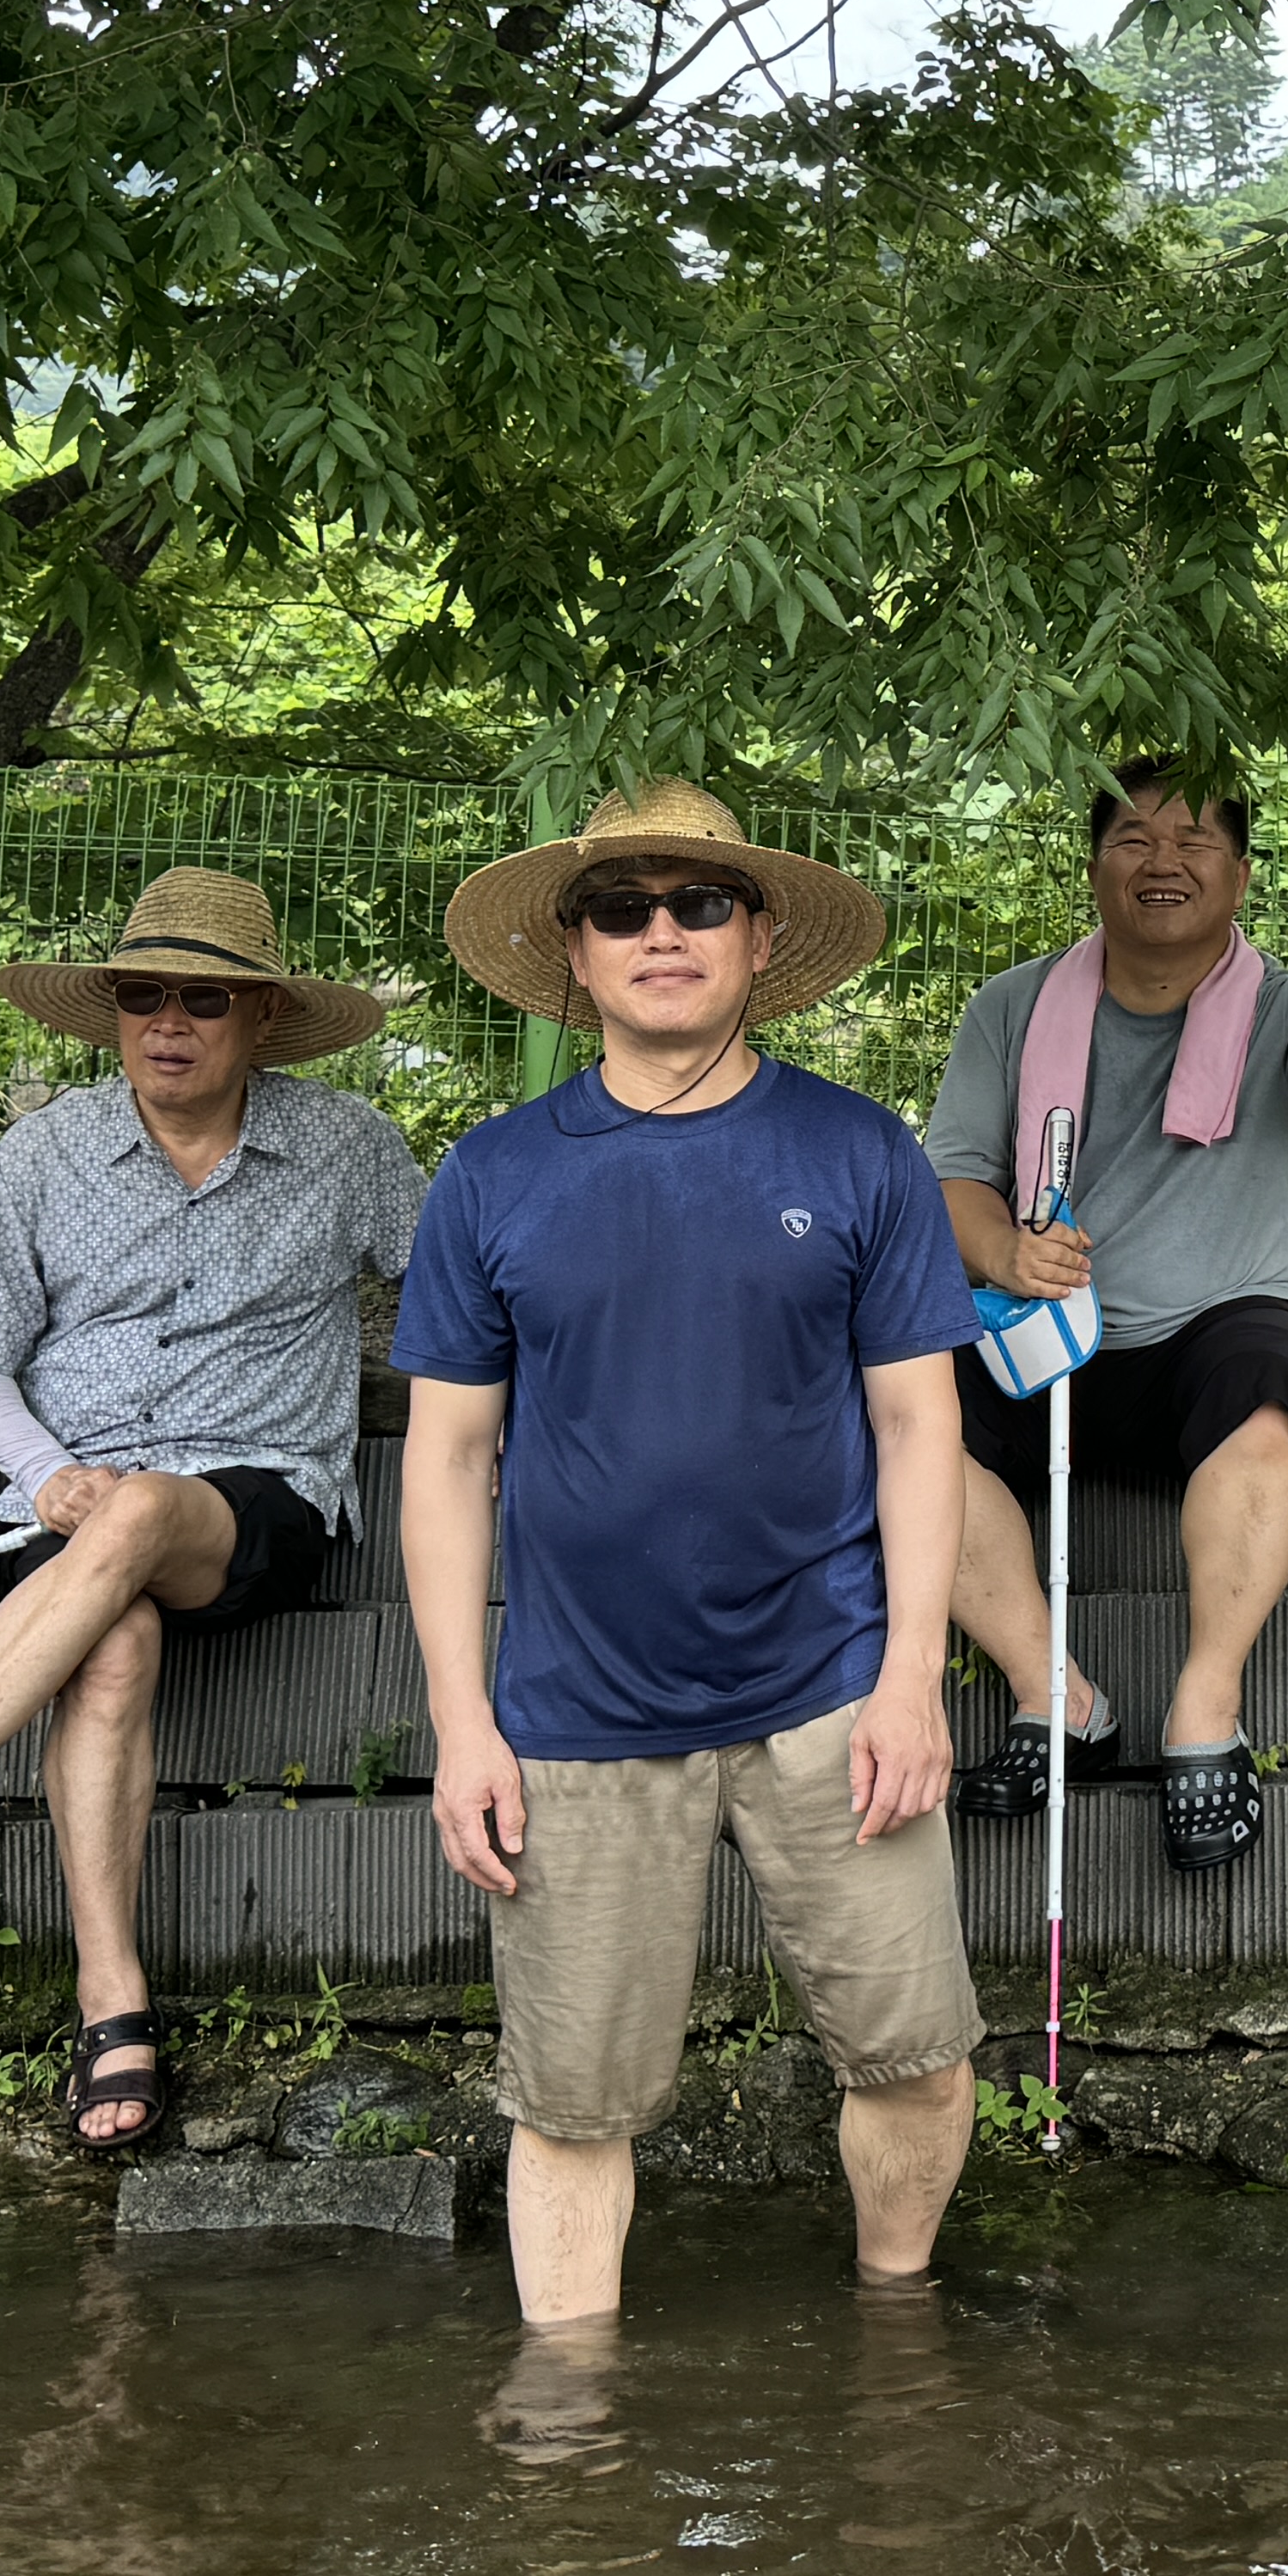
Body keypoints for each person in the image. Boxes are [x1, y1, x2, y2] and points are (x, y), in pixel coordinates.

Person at [402, 780, 982, 2321]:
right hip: (575, 1713)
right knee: (571, 2103)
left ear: (757, 934)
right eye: (623, 907)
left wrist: (914, 1674)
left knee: (918, 2056)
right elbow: (449, 1454)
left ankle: (896, 2324)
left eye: (698, 901)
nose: (662, 930)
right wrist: (463, 1719)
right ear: (575, 952)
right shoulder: (490, 1174)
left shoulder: (862, 1150)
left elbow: (925, 1428)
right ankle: (571, 2433)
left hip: (829, 1687)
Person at [0, 870, 424, 2156]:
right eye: (143, 997)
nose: (170, 1023)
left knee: (143, 1508)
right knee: (109, 1634)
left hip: (259, 1496)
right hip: (73, 1498)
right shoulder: (47, 1154)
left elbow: (456, 1296)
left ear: (262, 1018)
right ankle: (111, 1998)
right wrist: (44, 1467)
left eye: (205, 1000)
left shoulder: (347, 1148)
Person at [926, 762, 1288, 1875]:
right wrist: (1007, 1249)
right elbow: (953, 1178)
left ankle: (1206, 1708)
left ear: (1240, 875)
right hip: (1046, 1325)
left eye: (1195, 841)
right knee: (909, 1408)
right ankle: (1055, 1696)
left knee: (1267, 1382)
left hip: (1215, 1323)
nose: (1164, 861)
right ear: (1095, 863)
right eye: (1135, 838)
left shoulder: (1287, 1004)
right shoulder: (1011, 1008)